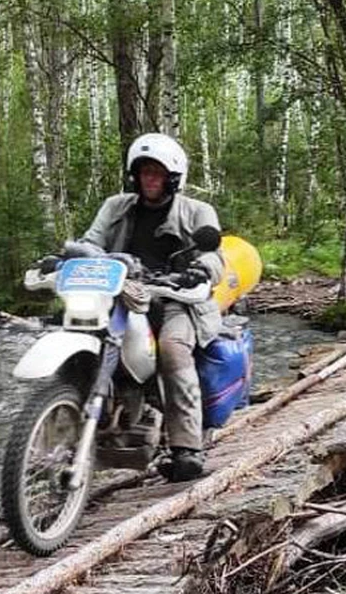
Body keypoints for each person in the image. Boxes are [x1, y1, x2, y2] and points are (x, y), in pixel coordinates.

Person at [79, 133, 224, 482]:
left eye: (157, 173)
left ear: (172, 177)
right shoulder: (116, 206)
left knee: (172, 350)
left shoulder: (197, 212)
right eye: (144, 172)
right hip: (121, 295)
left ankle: (187, 448)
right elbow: (91, 242)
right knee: (82, 338)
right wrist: (71, 256)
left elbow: (216, 257)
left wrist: (200, 270)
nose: (150, 179)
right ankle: (65, 428)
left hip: (176, 300)